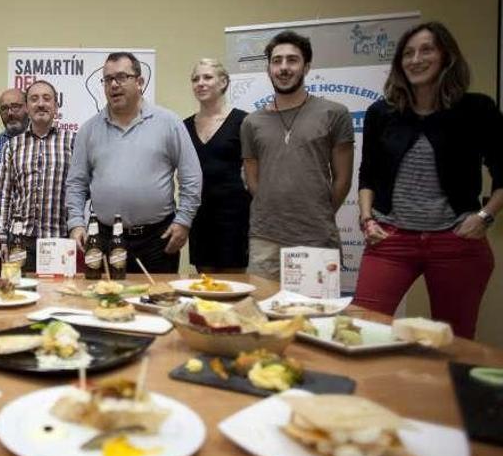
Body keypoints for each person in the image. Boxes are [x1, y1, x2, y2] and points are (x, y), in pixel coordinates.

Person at [354, 21, 502, 338]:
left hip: (456, 241)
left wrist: (484, 217)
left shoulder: (477, 109)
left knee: (452, 339)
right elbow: (368, 174)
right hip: (390, 239)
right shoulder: (382, 112)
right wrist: (367, 219)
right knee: (361, 327)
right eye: (407, 53)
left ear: (446, 57)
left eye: (426, 50)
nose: (415, 59)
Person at [66, 52, 202, 273]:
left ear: (139, 82)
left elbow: (191, 176)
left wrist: (184, 220)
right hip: (105, 238)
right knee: (108, 303)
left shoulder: (168, 122)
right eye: (108, 79)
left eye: (121, 77)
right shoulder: (89, 130)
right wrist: (75, 223)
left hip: (158, 240)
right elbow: (76, 183)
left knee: (157, 302)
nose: (113, 85)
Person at [241, 30, 354, 280]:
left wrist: (315, 212)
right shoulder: (252, 122)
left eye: (292, 60)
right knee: (261, 315)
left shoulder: (334, 114)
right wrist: (276, 211)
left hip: (315, 237)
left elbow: (343, 180)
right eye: (276, 61)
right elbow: (252, 179)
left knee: (315, 316)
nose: (283, 67)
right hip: (264, 239)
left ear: (307, 66)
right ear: (268, 68)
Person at [0, 80, 75, 271]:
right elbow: (4, 195)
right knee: (21, 294)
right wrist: (2, 239)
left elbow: (81, 190)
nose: (40, 104)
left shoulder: (73, 141)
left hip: (60, 241)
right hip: (21, 242)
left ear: (56, 106)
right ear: (27, 108)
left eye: (47, 99)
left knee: (59, 297)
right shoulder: (13, 145)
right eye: (34, 99)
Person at [183, 58, 250, 273]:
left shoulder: (244, 122)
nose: (200, 83)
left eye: (207, 77)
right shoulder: (184, 126)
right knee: (205, 289)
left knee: (234, 288)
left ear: (223, 82)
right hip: (200, 218)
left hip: (234, 217)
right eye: (195, 79)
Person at [0, 88, 28, 224]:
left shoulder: (43, 140)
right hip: (5, 228)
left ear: (27, 107)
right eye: (4, 108)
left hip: (38, 229)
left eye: (15, 107)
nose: (10, 113)